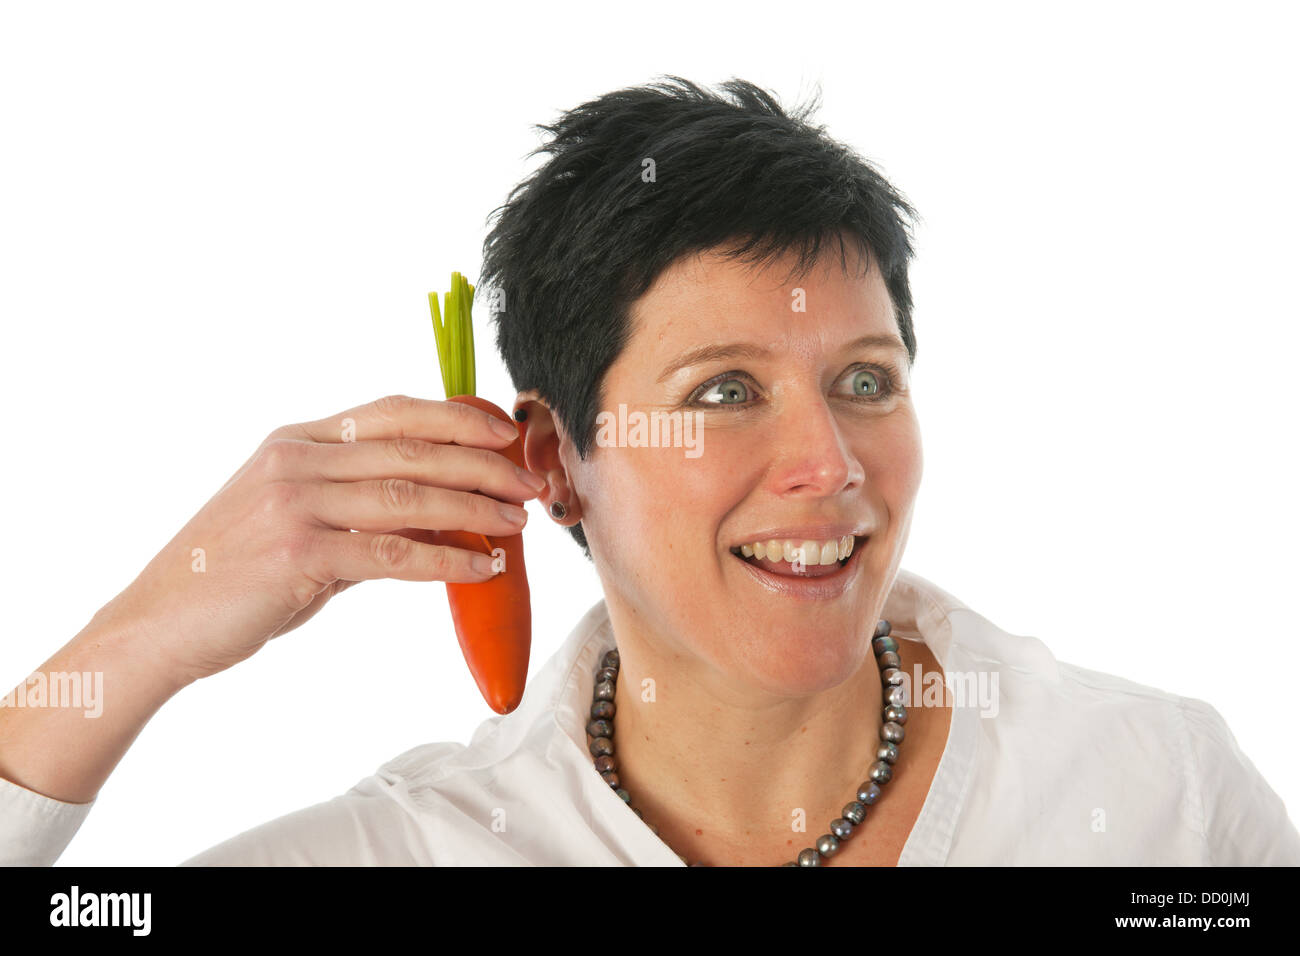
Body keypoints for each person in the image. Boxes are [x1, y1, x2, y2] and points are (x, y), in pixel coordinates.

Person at [2, 76, 1296, 867]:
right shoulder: (401, 856)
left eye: (864, 380)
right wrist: (142, 636)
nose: (829, 464)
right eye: (723, 391)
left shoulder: (1151, 792)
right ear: (554, 458)